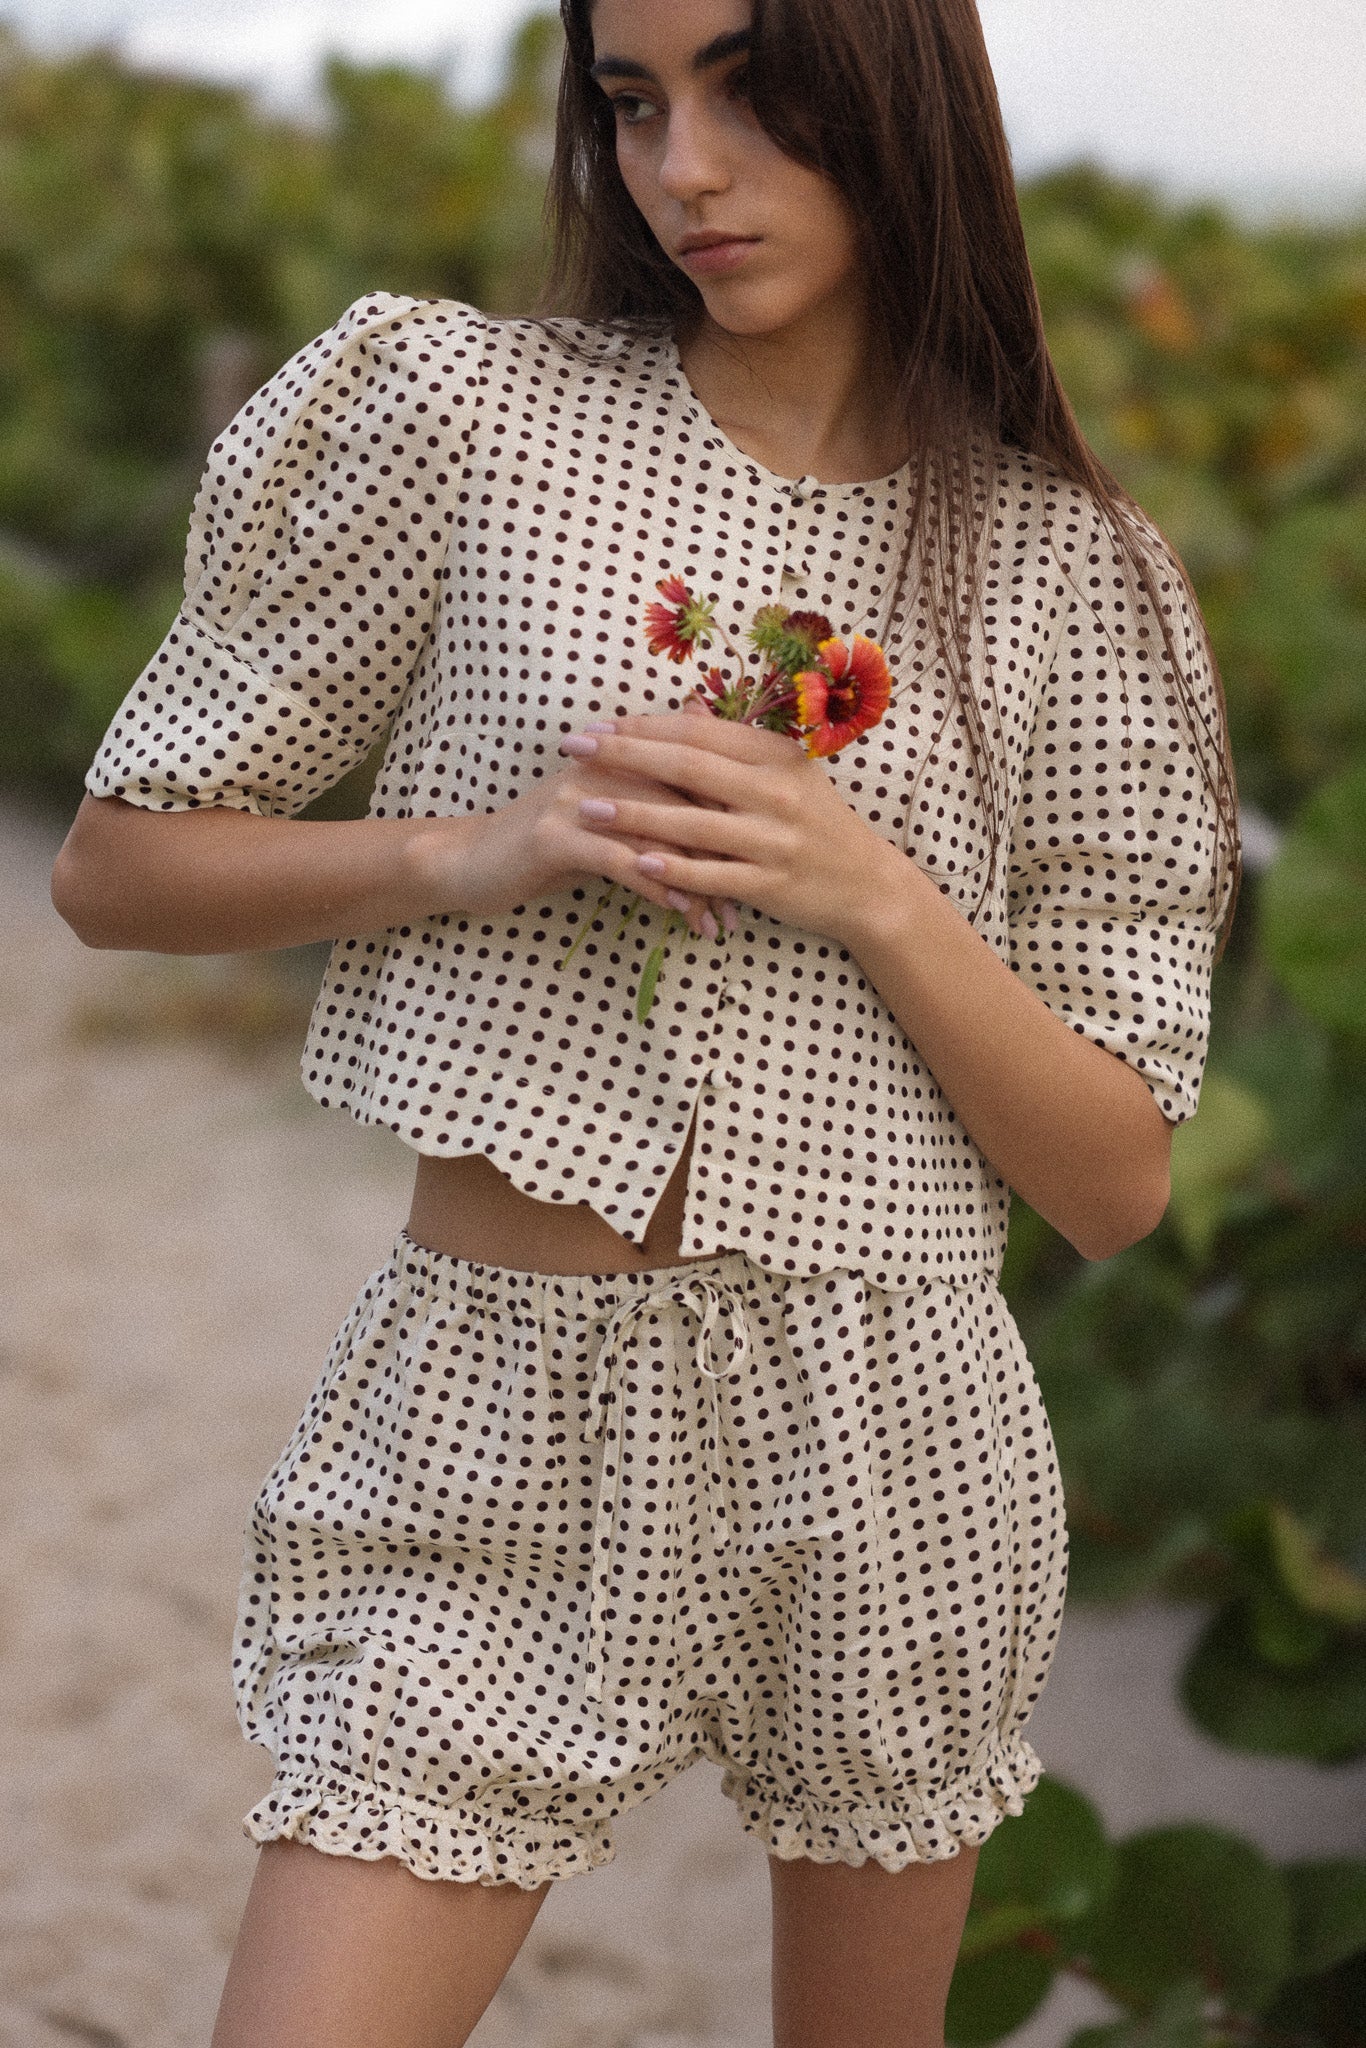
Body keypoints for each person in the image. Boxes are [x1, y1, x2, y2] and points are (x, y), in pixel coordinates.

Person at [51, 0, 1240, 2042]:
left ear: (891, 92)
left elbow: (1115, 1176)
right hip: (488, 1406)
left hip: (894, 1437)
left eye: (749, 88)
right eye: (628, 98)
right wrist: (474, 851)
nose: (680, 166)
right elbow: (120, 863)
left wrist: (869, 890)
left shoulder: (1074, 576)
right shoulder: (458, 414)